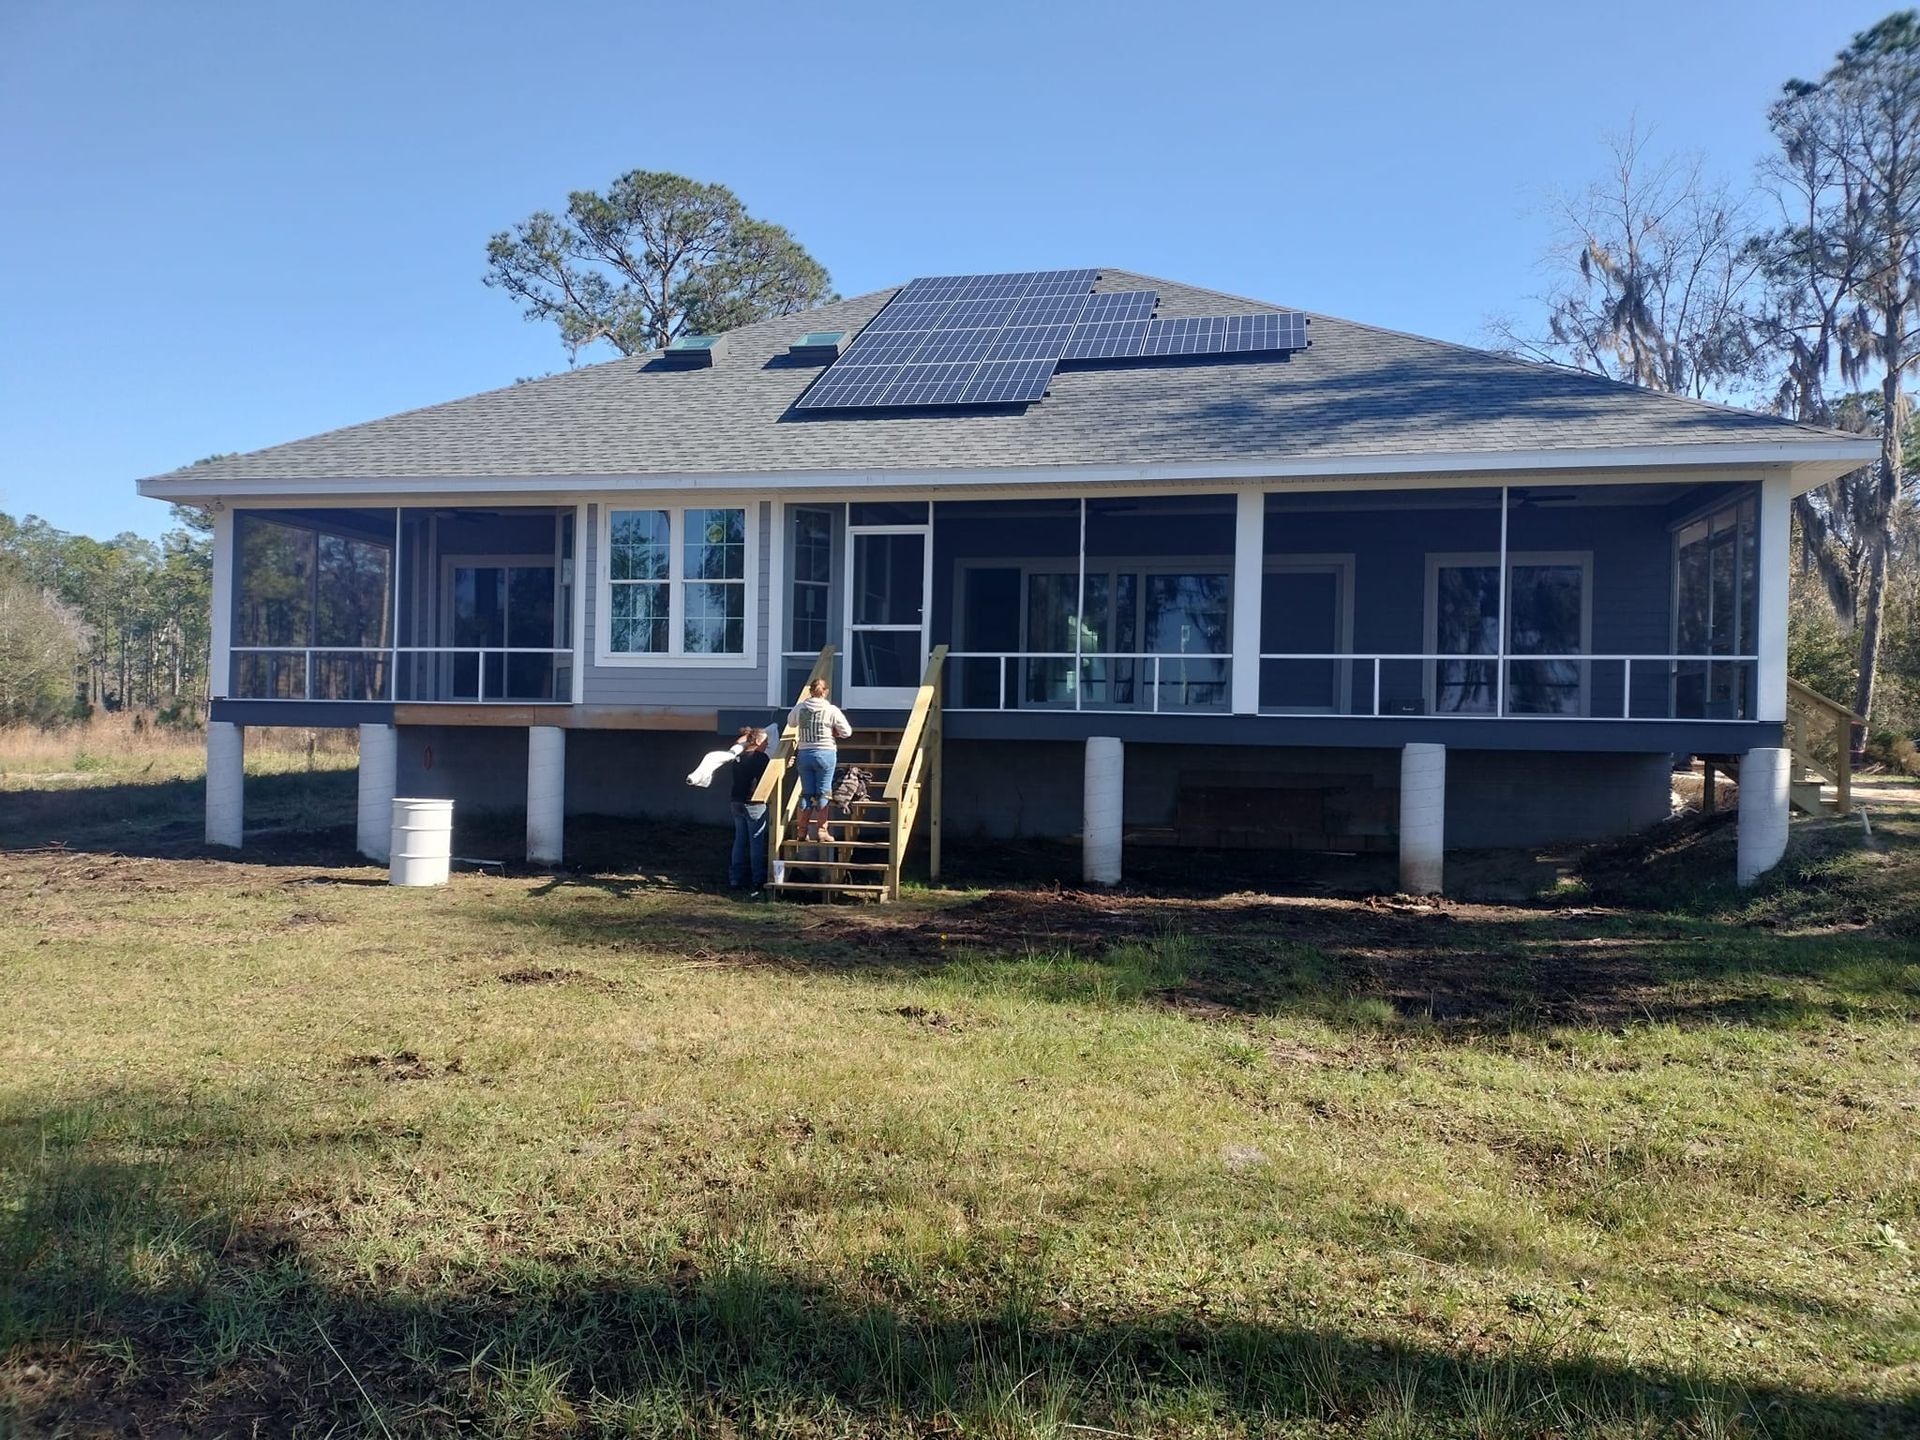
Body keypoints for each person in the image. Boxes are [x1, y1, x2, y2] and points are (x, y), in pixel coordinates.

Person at [787, 677, 851, 843]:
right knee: (824, 792)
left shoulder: (801, 708)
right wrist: (835, 731)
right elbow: (847, 732)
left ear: (810, 692)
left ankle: (802, 831)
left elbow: (791, 722)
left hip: (804, 754)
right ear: (826, 692)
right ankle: (822, 831)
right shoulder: (831, 710)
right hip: (826, 753)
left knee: (807, 793)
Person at [728, 727, 772, 893]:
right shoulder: (762, 758)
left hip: (736, 801)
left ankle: (735, 878)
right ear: (758, 741)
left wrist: (745, 738)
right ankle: (757, 879)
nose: (767, 744)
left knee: (739, 840)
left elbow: (736, 744)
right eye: (766, 741)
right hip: (754, 803)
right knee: (756, 842)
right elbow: (769, 778)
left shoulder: (736, 757)